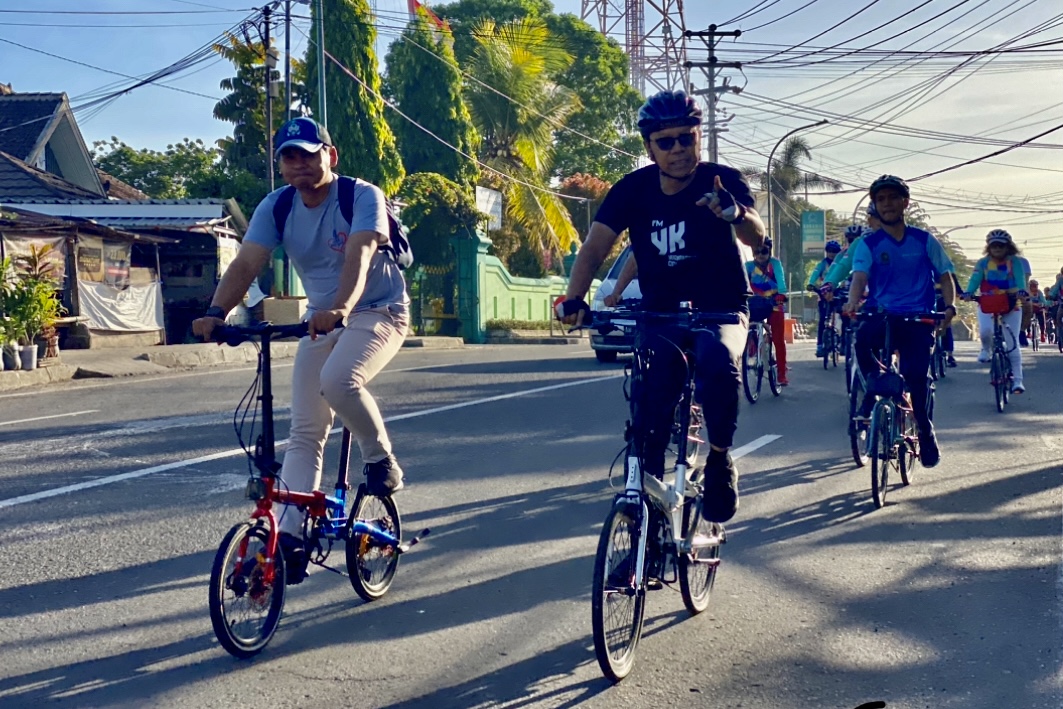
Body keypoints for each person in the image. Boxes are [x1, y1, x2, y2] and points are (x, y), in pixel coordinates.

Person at [192, 117, 410, 583]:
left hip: (378, 309)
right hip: (320, 319)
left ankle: (380, 458)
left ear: (329, 156)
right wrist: (216, 312)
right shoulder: (277, 206)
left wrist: (340, 308)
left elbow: (361, 253)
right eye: (289, 157)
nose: (300, 165)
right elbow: (248, 262)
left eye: (309, 155)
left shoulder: (361, 196)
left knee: (338, 381)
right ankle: (288, 538)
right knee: (304, 430)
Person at [556, 89, 765, 524]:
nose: (677, 150)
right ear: (649, 147)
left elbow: (757, 237)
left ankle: (721, 461)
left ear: (698, 137)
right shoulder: (633, 190)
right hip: (661, 312)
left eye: (686, 138)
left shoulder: (721, 180)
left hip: (722, 307)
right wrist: (575, 298)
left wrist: (735, 215)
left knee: (717, 360)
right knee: (650, 404)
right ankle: (643, 509)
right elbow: (594, 248)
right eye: (665, 141)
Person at [843, 175, 956, 469]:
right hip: (883, 315)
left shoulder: (924, 240)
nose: (888, 204)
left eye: (893, 198)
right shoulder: (869, 244)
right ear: (875, 205)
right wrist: (854, 301)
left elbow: (945, 276)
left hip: (918, 318)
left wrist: (950, 306)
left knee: (915, 377)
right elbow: (859, 277)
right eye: (881, 199)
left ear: (905, 202)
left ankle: (926, 431)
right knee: (862, 341)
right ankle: (873, 385)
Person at [961, 229, 1028, 393]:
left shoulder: (1015, 262)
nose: (997, 249)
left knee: (1012, 343)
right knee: (985, 332)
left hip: (1011, 303)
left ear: (1008, 247)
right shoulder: (982, 263)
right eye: (994, 246)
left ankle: (1018, 381)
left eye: (1001, 246)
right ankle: (986, 349)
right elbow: (975, 279)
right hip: (988, 302)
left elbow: (1020, 279)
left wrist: (1021, 290)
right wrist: (969, 292)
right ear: (988, 248)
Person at [745, 238, 789, 385]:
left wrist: (781, 294)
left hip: (774, 303)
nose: (760, 255)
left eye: (764, 251)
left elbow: (781, 282)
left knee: (778, 339)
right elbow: (741, 282)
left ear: (769, 251)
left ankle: (782, 373)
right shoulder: (748, 266)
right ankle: (752, 348)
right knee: (745, 328)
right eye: (757, 251)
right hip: (755, 304)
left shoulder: (775, 264)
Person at [808, 240, 842, 357]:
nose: (832, 253)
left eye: (835, 251)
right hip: (824, 294)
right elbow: (816, 273)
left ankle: (842, 342)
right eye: (829, 251)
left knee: (843, 316)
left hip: (838, 292)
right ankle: (819, 346)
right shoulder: (823, 264)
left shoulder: (841, 264)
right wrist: (811, 283)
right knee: (822, 319)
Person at [1027, 278, 1048, 343]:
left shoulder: (1039, 292)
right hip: (1030, 308)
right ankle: (1029, 332)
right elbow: (1025, 300)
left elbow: (1044, 301)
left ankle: (1042, 333)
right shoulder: (1027, 292)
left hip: (1038, 309)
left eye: (1036, 286)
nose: (1035, 288)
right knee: (1027, 317)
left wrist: (1042, 304)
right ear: (1030, 286)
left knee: (1042, 317)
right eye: (1033, 286)